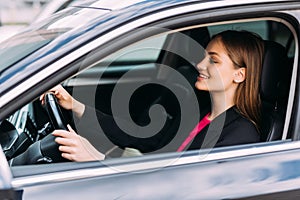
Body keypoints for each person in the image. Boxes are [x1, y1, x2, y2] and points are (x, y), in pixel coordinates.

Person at [41, 30, 263, 162]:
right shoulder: (201, 111)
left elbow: (181, 185)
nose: (200, 64)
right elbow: (143, 137)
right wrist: (75, 105)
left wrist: (98, 159)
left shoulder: (240, 135)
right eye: (204, 56)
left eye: (213, 60)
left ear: (240, 74)